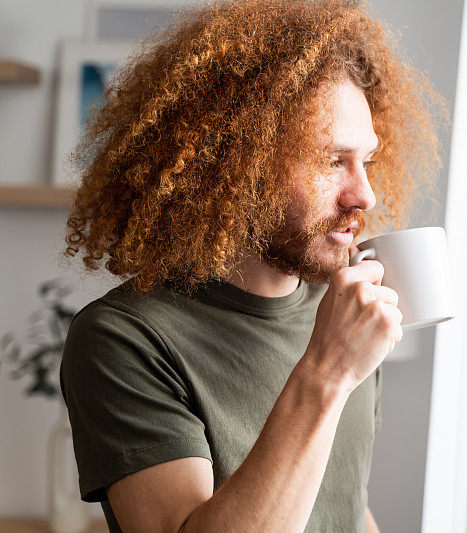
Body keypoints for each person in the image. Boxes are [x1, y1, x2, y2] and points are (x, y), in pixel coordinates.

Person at [57, 0, 446, 531]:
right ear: (238, 164)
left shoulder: (338, 313)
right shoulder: (124, 339)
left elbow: (342, 506)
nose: (366, 195)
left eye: (368, 161)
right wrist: (329, 373)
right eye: (332, 161)